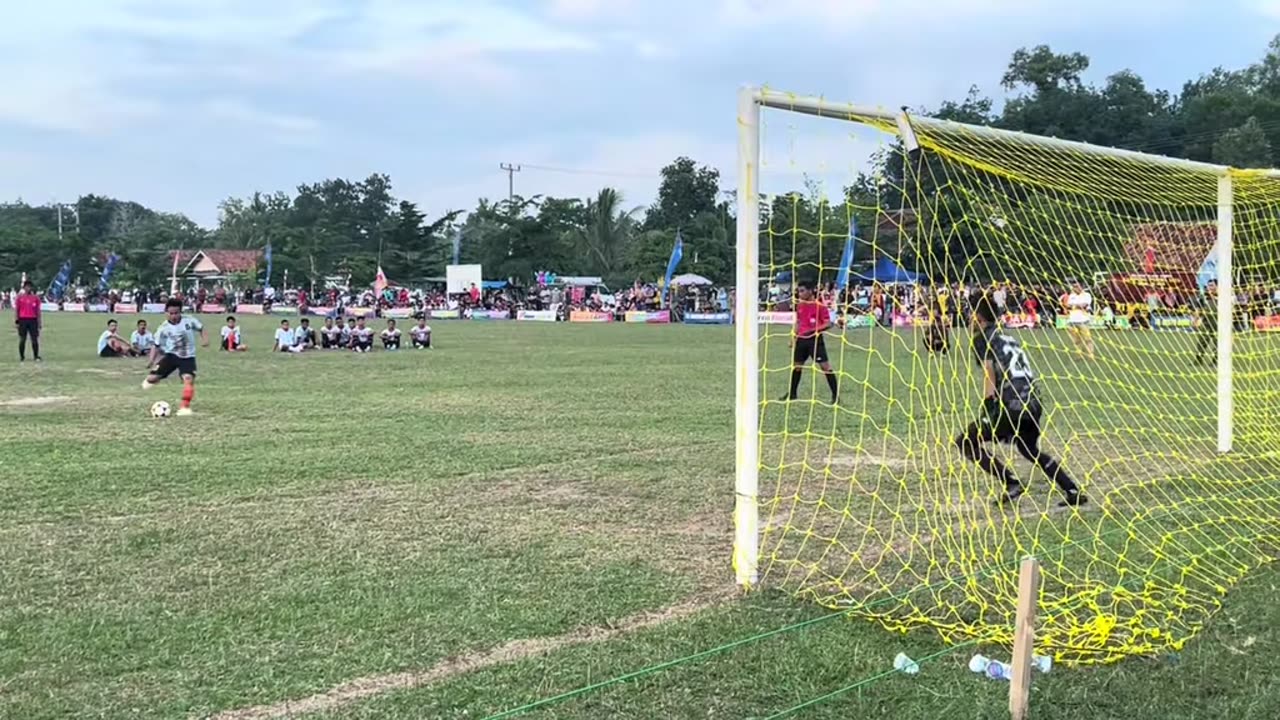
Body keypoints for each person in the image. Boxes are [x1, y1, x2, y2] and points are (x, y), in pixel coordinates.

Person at [955, 292, 1086, 507]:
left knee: (966, 441)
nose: (970, 320)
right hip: (1033, 402)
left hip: (1011, 405)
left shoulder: (983, 339)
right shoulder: (1008, 337)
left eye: (971, 315)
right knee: (1029, 449)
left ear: (978, 317)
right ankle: (1071, 489)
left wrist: (988, 407)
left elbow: (990, 374)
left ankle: (1011, 482)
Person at [142, 298, 208, 416]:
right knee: (151, 378)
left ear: (180, 312)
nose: (174, 316)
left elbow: (201, 328)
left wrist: (205, 339)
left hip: (188, 357)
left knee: (188, 379)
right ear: (166, 313)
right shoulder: (163, 328)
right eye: (171, 313)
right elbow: (155, 345)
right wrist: (151, 360)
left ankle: (184, 407)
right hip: (171, 356)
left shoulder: (189, 320)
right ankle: (154, 379)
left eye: (176, 313)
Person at [781, 281, 839, 404]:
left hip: (815, 340)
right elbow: (799, 322)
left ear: (810, 291)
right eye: (798, 291)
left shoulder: (820, 306)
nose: (799, 294)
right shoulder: (800, 306)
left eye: (802, 291)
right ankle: (792, 394)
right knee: (797, 367)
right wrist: (793, 338)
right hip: (802, 340)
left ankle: (835, 396)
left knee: (825, 367)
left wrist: (812, 330)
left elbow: (828, 323)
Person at [1066, 280, 1096, 360]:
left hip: (1083, 320)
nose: (1076, 288)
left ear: (1081, 287)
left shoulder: (1087, 295)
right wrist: (1077, 306)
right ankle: (1079, 355)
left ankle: (1091, 355)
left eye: (1077, 286)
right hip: (1072, 321)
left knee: (1087, 339)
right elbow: (1067, 306)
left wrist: (1074, 306)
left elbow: (1085, 305)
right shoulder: (1071, 296)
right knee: (1076, 340)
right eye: (1074, 287)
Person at [14, 279, 41, 362]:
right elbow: (17, 310)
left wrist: (39, 323)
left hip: (33, 320)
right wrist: (17, 321)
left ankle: (36, 356)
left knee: (34, 339)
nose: (28, 288)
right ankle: (22, 356)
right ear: (24, 288)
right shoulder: (20, 298)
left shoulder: (35, 298)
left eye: (29, 287)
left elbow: (38, 311)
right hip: (23, 320)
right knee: (22, 339)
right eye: (27, 287)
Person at [1193, 280, 1219, 367]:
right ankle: (1198, 360)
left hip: (1218, 323)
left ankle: (1215, 361)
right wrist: (1195, 320)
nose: (1209, 288)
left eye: (1212, 285)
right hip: (1206, 322)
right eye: (1208, 286)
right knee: (1202, 341)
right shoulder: (1203, 297)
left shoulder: (1223, 297)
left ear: (1217, 287)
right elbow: (1198, 308)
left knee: (1218, 343)